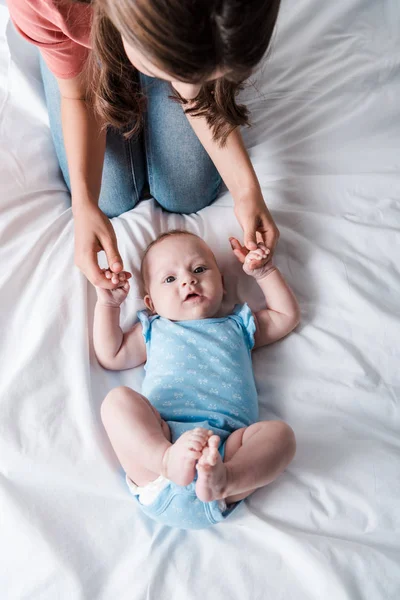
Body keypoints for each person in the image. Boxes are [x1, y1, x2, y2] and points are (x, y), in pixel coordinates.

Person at [7, 0, 281, 289]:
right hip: (79, 32)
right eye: (175, 77)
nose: (188, 94)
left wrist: (246, 190)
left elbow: (196, 93)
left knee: (188, 192)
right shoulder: (45, 4)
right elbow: (80, 95)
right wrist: (83, 205)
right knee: (107, 200)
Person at [93, 230, 299, 529]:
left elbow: (285, 316)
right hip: (159, 454)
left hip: (226, 455)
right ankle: (167, 460)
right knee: (117, 402)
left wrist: (265, 272)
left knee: (281, 436)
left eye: (199, 269)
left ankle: (228, 480)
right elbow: (110, 355)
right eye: (169, 279)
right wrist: (109, 306)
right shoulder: (155, 329)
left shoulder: (238, 324)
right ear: (151, 302)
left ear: (223, 282)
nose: (188, 280)